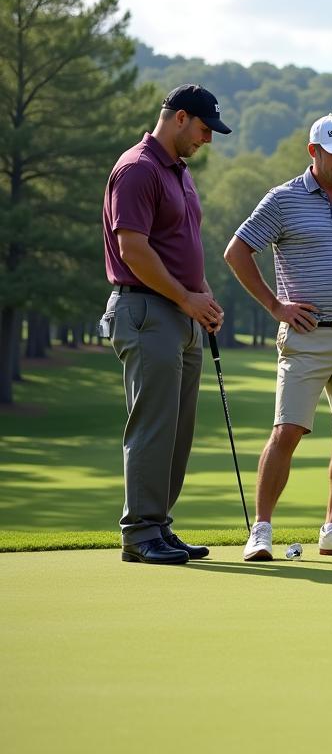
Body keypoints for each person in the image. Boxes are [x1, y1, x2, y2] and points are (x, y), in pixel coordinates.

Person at [224, 114, 332, 562]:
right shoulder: (282, 200)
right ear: (313, 152)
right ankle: (260, 531)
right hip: (305, 337)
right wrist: (275, 306)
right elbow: (237, 251)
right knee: (287, 431)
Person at [101, 84, 231, 564]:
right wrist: (185, 297)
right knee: (153, 426)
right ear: (179, 118)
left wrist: (202, 295)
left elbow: (180, 244)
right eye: (203, 128)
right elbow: (134, 248)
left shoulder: (178, 172)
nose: (207, 140)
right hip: (147, 311)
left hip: (181, 312)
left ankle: (158, 524)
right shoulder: (137, 169)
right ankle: (139, 532)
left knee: (178, 429)